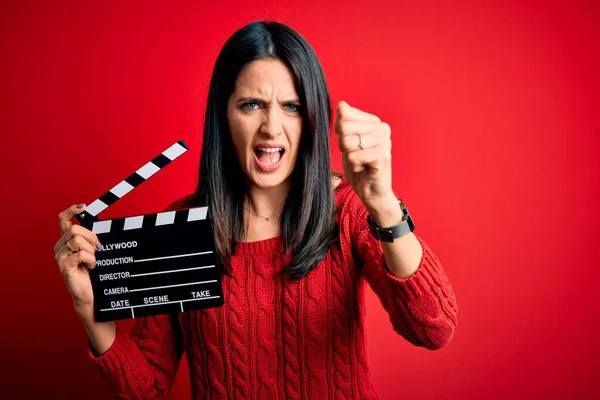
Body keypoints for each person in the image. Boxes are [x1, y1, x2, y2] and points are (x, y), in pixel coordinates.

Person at [53, 20, 457, 400]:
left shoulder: (348, 210)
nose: (271, 127)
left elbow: (433, 327)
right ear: (224, 115)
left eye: (292, 107)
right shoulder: (182, 228)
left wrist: (384, 203)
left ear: (313, 118)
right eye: (251, 105)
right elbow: (145, 385)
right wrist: (89, 306)